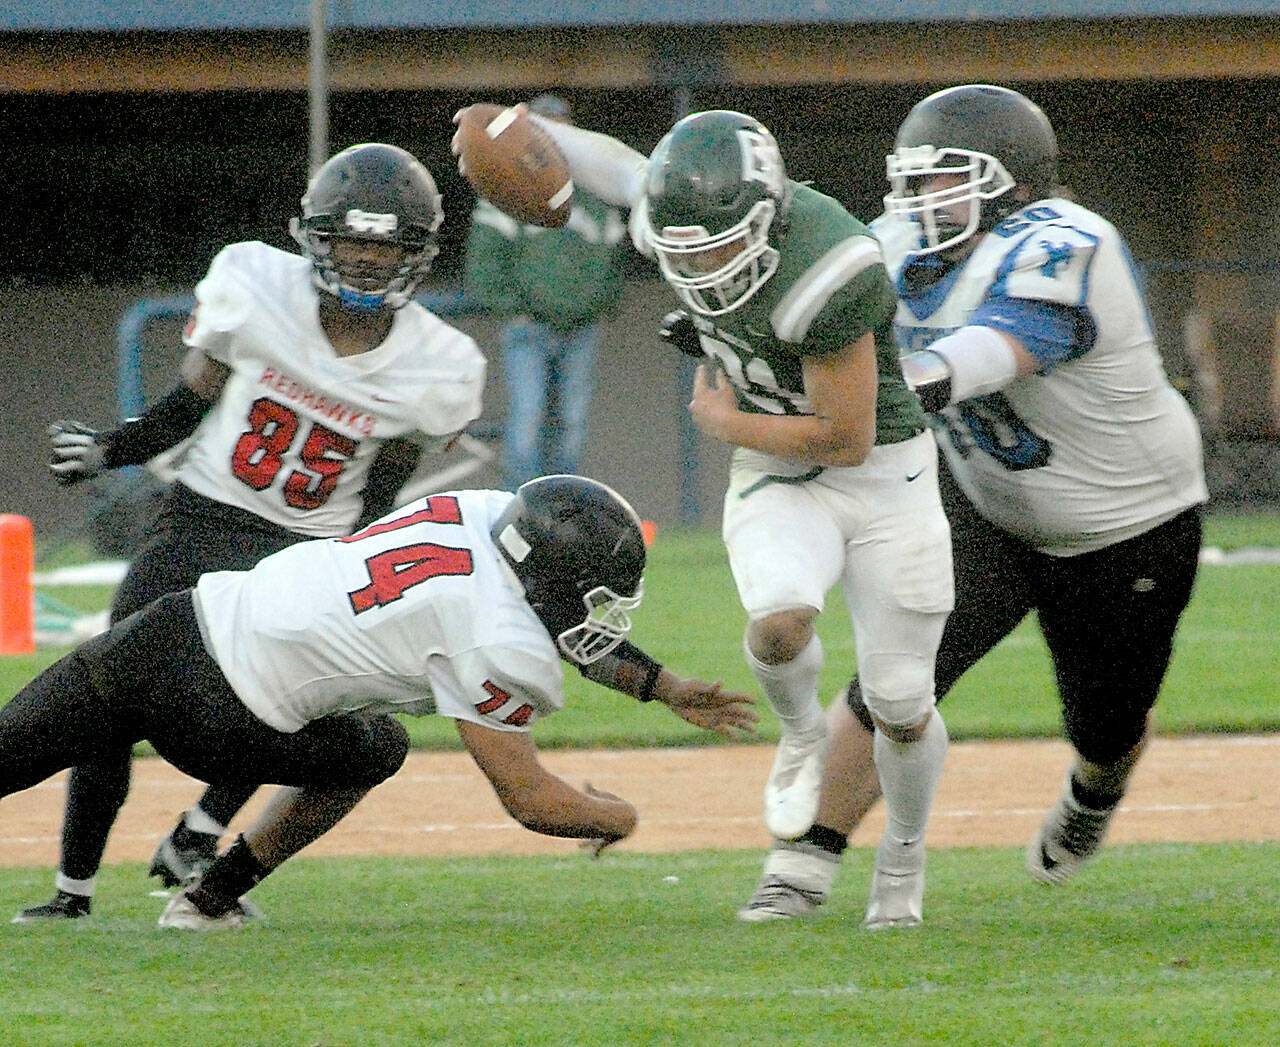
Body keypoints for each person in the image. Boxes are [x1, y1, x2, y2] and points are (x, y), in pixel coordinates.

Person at [465, 104, 956, 928]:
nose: (711, 267)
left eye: (727, 246)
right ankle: (802, 732)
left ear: (770, 216)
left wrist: (724, 423)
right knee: (778, 626)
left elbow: (847, 435)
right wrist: (509, 118)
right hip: (775, 471)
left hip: (881, 474)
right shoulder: (677, 220)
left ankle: (903, 856)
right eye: (692, 252)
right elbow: (617, 168)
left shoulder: (827, 267)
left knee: (902, 699)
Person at [736, 83, 1208, 922]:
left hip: (1125, 525)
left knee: (1106, 724)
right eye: (913, 181)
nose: (922, 200)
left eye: (945, 179)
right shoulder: (896, 246)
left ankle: (1094, 795)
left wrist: (887, 390)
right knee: (896, 673)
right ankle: (804, 860)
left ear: (1013, 182)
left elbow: (998, 349)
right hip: (985, 504)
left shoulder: (1068, 240)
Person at [15, 142, 490, 922]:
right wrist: (112, 446)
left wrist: (356, 572)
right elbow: (187, 403)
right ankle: (73, 890)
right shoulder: (256, 284)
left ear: (417, 254)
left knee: (285, 703)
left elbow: (383, 489)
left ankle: (197, 835)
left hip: (304, 549)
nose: (367, 261)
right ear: (314, 236)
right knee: (105, 694)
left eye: (385, 244)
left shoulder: (437, 364)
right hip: (201, 518)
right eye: (352, 240)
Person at [0, 475, 758, 929]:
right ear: (554, 586)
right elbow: (527, 797)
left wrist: (660, 685)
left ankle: (201, 891)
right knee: (378, 747)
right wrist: (615, 818)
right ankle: (208, 899)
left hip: (172, 624)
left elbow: (554, 613)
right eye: (596, 597)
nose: (602, 616)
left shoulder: (483, 511)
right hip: (223, 720)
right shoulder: (497, 639)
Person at [462, 93, 628, 490]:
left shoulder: (596, 193)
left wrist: (598, 305)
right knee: (528, 418)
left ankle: (563, 507)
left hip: (581, 328)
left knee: (571, 422)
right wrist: (514, 307)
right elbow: (483, 264)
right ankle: (519, 509)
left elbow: (614, 263)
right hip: (528, 326)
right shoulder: (505, 187)